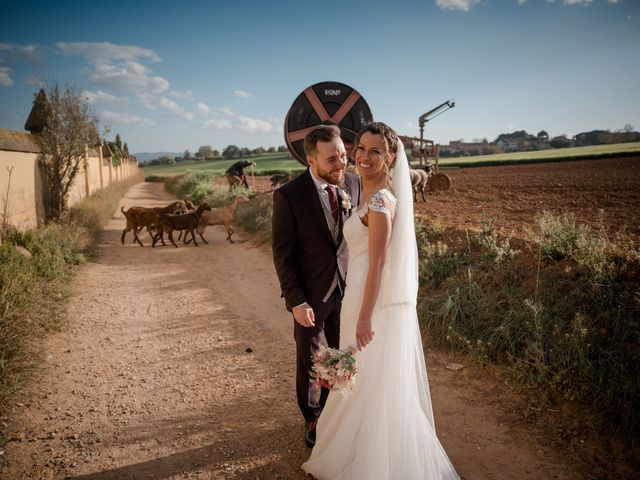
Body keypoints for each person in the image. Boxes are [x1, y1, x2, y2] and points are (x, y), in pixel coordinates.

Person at [302, 122, 459, 479]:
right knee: (362, 375)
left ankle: (375, 461)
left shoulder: (383, 200)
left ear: (390, 157)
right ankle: (353, 448)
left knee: (372, 376)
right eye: (360, 148)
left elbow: (380, 263)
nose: (364, 156)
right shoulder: (361, 194)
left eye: (375, 151)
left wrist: (364, 318)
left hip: (369, 303)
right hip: (357, 294)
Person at [271, 124, 361, 448]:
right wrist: (296, 300)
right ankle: (313, 417)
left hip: (347, 290)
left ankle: (336, 410)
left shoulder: (352, 182)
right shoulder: (288, 196)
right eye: (331, 160)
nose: (341, 164)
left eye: (343, 155)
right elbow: (283, 254)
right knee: (311, 359)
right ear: (311, 160)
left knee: (339, 353)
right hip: (309, 295)